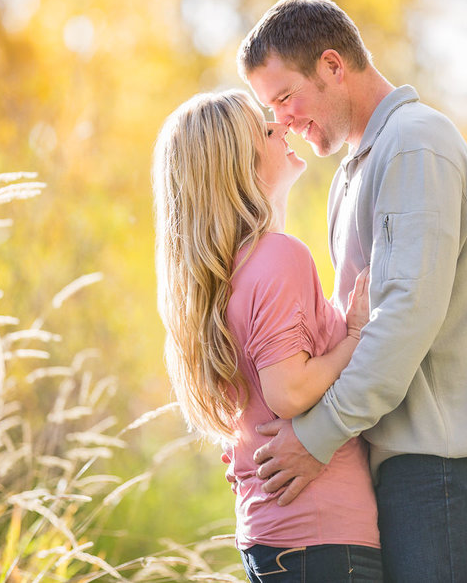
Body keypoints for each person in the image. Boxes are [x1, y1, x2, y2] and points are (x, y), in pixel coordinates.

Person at [237, 0, 467, 582]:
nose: (284, 122)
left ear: (331, 65)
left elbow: (405, 316)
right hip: (411, 470)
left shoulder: (414, 142)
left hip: (447, 468)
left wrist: (316, 436)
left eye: (285, 97)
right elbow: (349, 328)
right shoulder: (352, 174)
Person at [152, 89, 384, 582]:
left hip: (276, 535)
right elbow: (289, 391)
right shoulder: (278, 256)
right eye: (263, 129)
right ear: (239, 165)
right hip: (321, 539)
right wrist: (355, 338)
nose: (281, 127)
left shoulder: (224, 276)